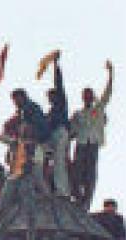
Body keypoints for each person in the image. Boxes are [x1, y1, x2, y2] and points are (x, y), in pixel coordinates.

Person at [70, 60, 114, 211]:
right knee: (77, 173)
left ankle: (85, 203)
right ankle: (77, 197)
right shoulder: (78, 114)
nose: (87, 97)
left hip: (93, 144)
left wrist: (110, 73)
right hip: (81, 145)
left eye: (89, 95)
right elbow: (71, 131)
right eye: (85, 95)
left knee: (90, 176)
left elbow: (107, 93)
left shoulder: (98, 109)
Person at [44, 51, 72, 198]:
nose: (50, 99)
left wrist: (55, 65)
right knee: (43, 156)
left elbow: (59, 83)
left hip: (60, 132)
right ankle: (49, 186)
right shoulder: (50, 112)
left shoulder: (61, 104)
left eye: (52, 96)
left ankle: (62, 190)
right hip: (53, 135)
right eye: (49, 97)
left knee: (60, 161)